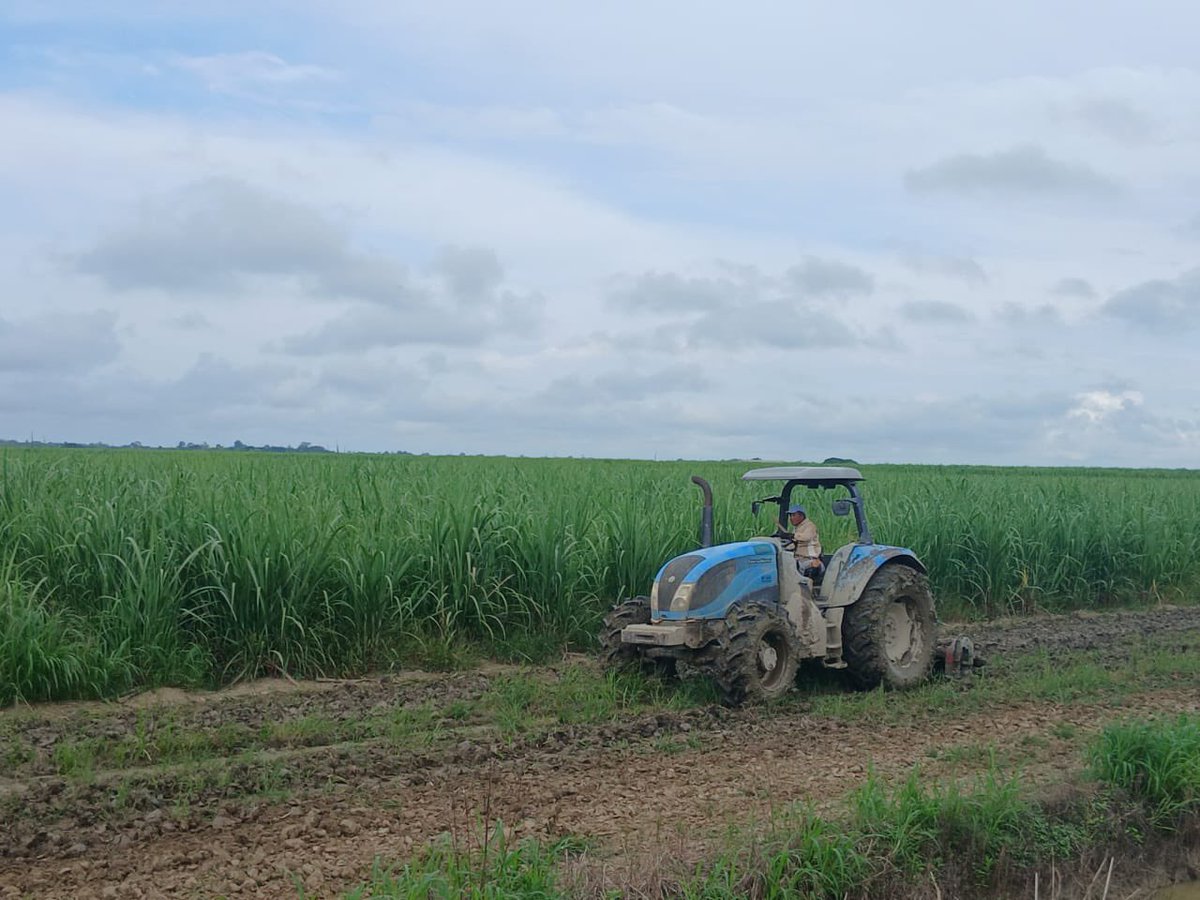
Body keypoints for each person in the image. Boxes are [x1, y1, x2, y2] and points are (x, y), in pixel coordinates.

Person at [787, 503, 823, 578]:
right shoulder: (797, 528)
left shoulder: (810, 526)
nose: (791, 518)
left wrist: (792, 536)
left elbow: (806, 537)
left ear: (801, 516)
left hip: (809, 559)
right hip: (798, 558)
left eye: (793, 515)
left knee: (794, 570)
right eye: (790, 516)